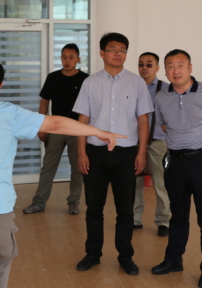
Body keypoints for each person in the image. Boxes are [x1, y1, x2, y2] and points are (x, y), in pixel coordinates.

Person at [0, 59, 124, 288]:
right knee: (1, 257)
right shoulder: (9, 113)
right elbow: (55, 124)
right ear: (0, 85)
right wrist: (98, 132)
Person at [73, 33, 152, 276]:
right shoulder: (90, 83)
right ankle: (92, 254)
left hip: (126, 154)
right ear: (102, 53)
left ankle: (125, 257)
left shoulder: (137, 83)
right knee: (93, 208)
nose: (118, 53)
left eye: (122, 49)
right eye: (112, 49)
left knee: (125, 210)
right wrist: (81, 152)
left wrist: (141, 153)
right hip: (95, 153)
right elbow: (83, 120)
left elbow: (143, 120)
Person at [151, 49, 202, 288]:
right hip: (175, 162)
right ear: (165, 71)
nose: (176, 70)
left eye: (180, 65)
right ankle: (173, 260)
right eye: (170, 66)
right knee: (178, 215)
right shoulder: (161, 97)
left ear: (190, 68)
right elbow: (164, 126)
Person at [23, 43, 89, 215]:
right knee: (48, 167)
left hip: (77, 130)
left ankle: (74, 202)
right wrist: (41, 126)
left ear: (78, 59)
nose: (67, 61)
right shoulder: (53, 78)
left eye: (71, 57)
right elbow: (44, 102)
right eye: (64, 57)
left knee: (77, 168)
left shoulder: (85, 80)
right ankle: (39, 202)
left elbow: (91, 107)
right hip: (55, 128)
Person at [133, 52, 171, 237]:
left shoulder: (166, 89)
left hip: (158, 142)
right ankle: (135, 219)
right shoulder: (132, 86)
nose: (144, 68)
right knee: (134, 183)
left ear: (157, 68)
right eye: (141, 64)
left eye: (149, 64)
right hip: (134, 141)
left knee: (160, 184)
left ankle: (163, 221)